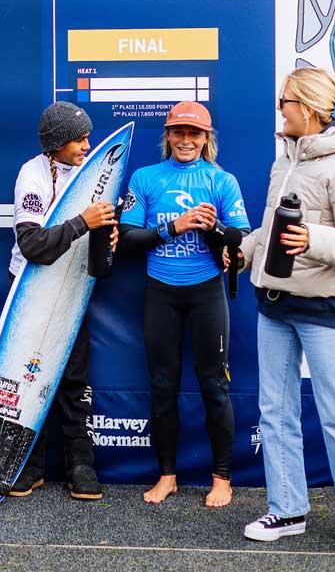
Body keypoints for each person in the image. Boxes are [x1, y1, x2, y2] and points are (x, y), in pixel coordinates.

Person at [237, 67, 335, 553]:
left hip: (325, 308)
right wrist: (243, 252)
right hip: (274, 305)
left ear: (305, 107)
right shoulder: (284, 160)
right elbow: (270, 231)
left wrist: (312, 239)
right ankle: (287, 510)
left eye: (283, 101)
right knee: (275, 411)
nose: (278, 110)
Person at [116, 101, 250, 507]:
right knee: (162, 388)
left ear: (207, 138)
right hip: (161, 292)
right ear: (168, 136)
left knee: (214, 387)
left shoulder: (221, 180)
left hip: (206, 291)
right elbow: (127, 239)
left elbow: (238, 242)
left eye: (194, 133)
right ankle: (167, 476)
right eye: (178, 132)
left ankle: (222, 478)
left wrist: (216, 229)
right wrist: (176, 225)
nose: (186, 140)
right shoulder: (145, 177)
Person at [6, 102, 117, 501]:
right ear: (56, 143)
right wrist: (82, 223)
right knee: (27, 378)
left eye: (88, 137)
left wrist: (106, 237)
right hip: (30, 289)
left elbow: (98, 235)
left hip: (72, 287)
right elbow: (32, 244)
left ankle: (80, 465)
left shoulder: (91, 173)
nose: (88, 145)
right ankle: (28, 465)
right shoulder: (32, 175)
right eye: (79, 138)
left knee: (73, 379)